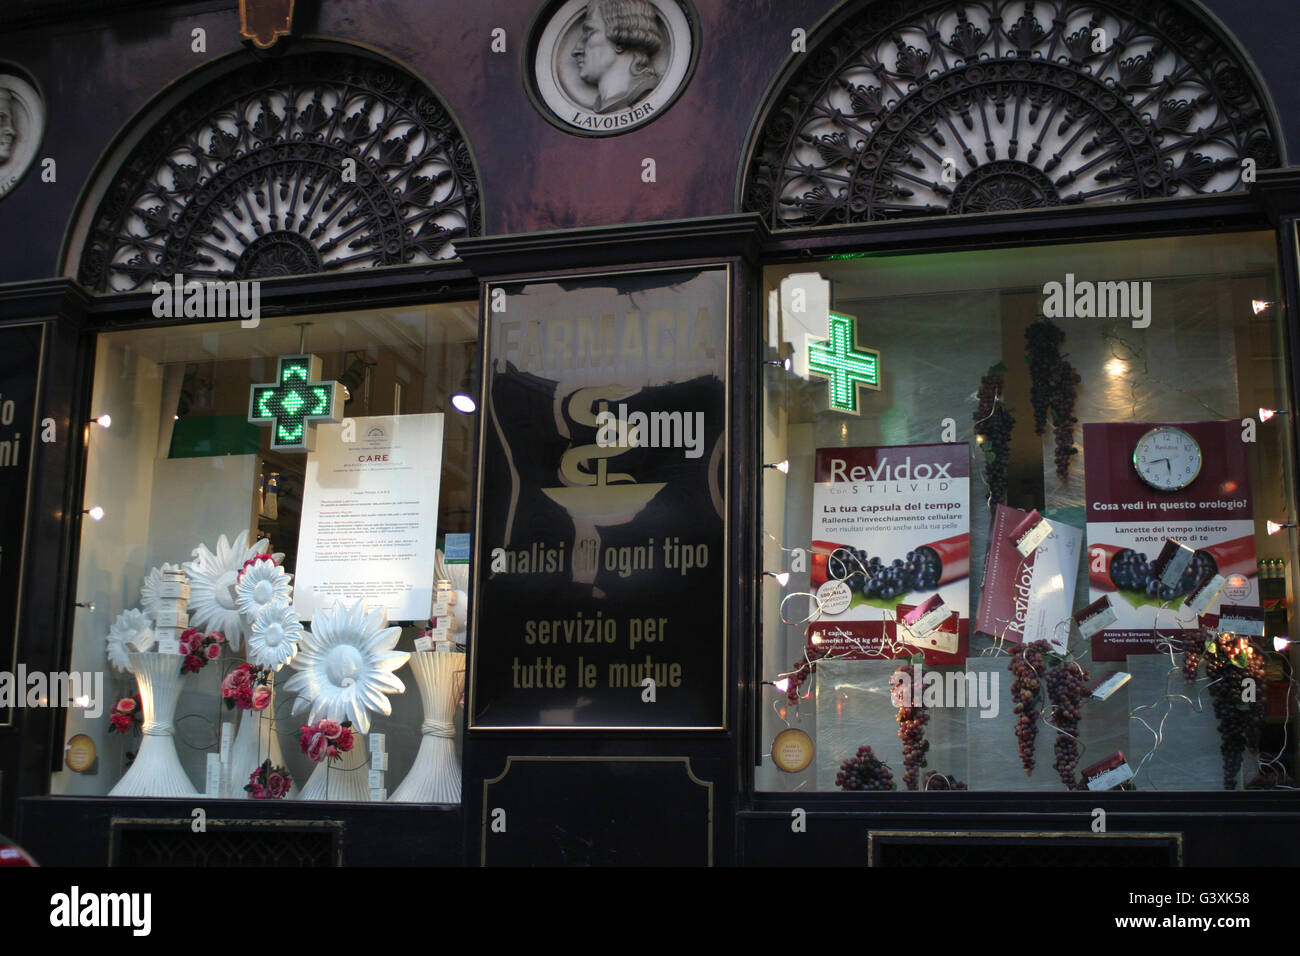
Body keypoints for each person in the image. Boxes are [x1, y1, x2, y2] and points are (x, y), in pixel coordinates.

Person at [570, 0, 665, 114]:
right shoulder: (600, 105)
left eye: (590, 33)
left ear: (620, 40)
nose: (576, 50)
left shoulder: (644, 92)